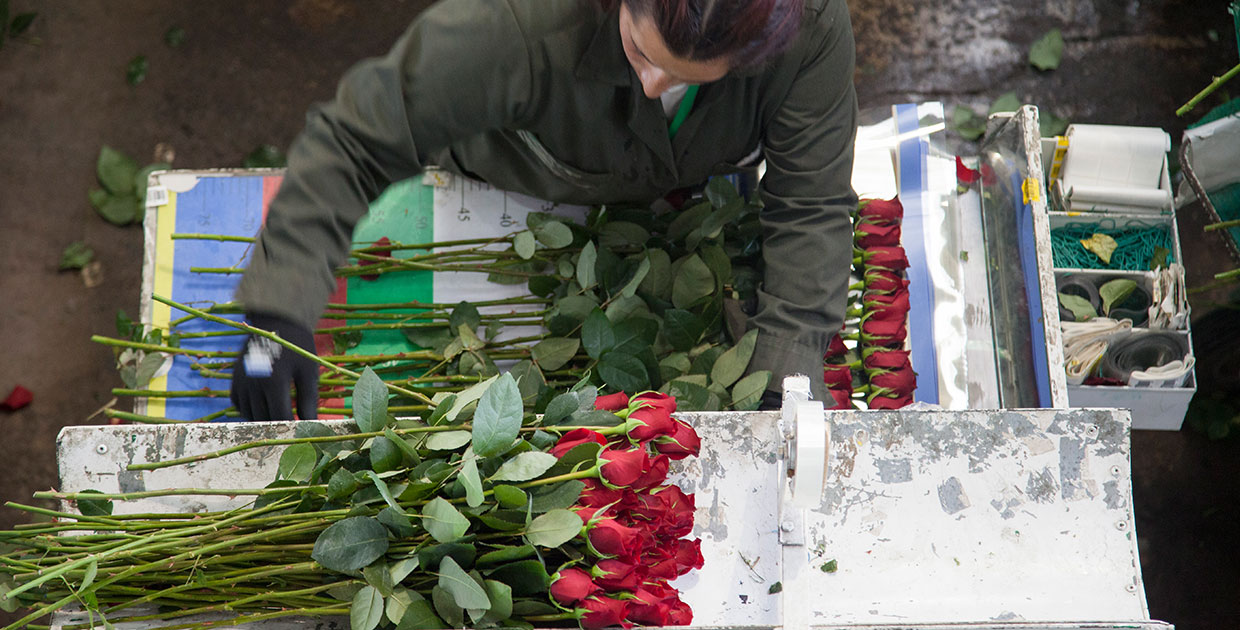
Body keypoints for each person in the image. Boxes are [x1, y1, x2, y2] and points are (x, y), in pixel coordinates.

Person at [230, 0, 858, 421]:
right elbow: (357, 139)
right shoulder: (512, 24)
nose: (651, 88)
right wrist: (277, 305)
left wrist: (785, 374)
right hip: (512, 175)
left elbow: (811, 199)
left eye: (690, 77)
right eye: (641, 54)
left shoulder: (806, 26)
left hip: (686, 196)